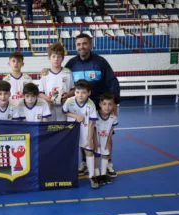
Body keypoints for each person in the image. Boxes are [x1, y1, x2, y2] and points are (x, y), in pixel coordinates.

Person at [41, 33, 120, 178]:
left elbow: (113, 82)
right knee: (83, 135)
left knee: (105, 135)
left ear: (90, 44)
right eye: (78, 44)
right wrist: (44, 71)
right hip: (80, 108)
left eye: (84, 43)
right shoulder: (71, 64)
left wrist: (114, 102)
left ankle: (108, 162)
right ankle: (84, 161)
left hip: (100, 106)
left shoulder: (101, 62)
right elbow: (59, 76)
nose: (81, 47)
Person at [62, 80, 99, 188]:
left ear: (89, 93)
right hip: (72, 130)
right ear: (74, 92)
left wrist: (90, 140)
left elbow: (92, 123)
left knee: (89, 151)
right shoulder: (69, 101)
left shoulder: (91, 104)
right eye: (77, 92)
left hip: (85, 130)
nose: (80, 95)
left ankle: (92, 176)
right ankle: (69, 174)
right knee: (71, 152)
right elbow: (64, 112)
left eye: (83, 92)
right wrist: (75, 115)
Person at [38, 43, 74, 121]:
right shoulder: (45, 74)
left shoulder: (68, 72)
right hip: (49, 109)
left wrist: (68, 95)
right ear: (49, 58)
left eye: (59, 56)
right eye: (53, 56)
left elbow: (73, 90)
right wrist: (48, 99)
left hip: (65, 108)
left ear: (63, 58)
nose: (56, 59)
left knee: (63, 130)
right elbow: (40, 93)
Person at [94, 93, 118, 185]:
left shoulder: (113, 117)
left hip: (105, 139)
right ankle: (97, 175)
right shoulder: (95, 115)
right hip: (96, 139)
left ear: (113, 105)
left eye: (110, 104)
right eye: (104, 104)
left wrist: (108, 142)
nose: (107, 107)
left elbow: (111, 131)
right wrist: (95, 142)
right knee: (96, 155)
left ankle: (103, 174)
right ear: (100, 104)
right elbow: (93, 129)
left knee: (106, 154)